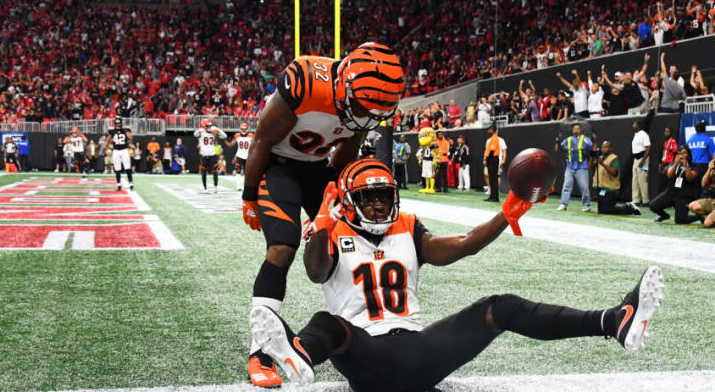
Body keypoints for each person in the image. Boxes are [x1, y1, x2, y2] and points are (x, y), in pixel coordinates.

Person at [249, 159, 665, 392]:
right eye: (367, 199)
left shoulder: (407, 227)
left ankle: (613, 321)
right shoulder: (329, 231)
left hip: (418, 354)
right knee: (329, 323)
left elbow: (464, 244)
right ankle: (301, 352)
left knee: (498, 308)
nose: (377, 207)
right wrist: (323, 215)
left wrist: (507, 212)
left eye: (383, 197)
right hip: (365, 358)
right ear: (346, 201)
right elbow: (315, 270)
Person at [242, 42, 404, 388]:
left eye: (375, 110)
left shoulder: (364, 103)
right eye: (361, 105)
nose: (367, 115)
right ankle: (261, 350)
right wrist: (249, 195)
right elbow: (260, 141)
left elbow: (346, 149)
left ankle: (359, 328)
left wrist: (332, 191)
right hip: (278, 165)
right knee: (283, 247)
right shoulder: (305, 82)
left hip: (317, 168)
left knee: (356, 233)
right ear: (345, 86)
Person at [650, 145, 702, 224]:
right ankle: (664, 216)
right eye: (680, 153)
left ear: (688, 155)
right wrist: (675, 164)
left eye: (684, 153)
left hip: (684, 196)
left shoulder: (693, 166)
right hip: (671, 192)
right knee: (653, 205)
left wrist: (686, 166)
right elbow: (669, 175)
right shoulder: (673, 164)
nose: (682, 155)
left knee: (680, 221)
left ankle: (699, 217)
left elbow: (690, 178)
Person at [590, 141, 641, 215]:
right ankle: (627, 207)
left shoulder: (614, 158)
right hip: (602, 189)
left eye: (606, 147)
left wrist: (602, 164)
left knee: (608, 210)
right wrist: (592, 157)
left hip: (611, 190)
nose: (603, 149)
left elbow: (614, 173)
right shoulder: (600, 158)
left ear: (611, 149)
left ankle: (629, 208)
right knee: (602, 211)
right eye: (602, 147)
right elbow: (591, 168)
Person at [556, 123, 593, 212]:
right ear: (572, 131)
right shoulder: (568, 140)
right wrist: (561, 142)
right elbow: (561, 146)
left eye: (577, 129)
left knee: (584, 187)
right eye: (574, 129)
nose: (576, 130)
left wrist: (586, 141)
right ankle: (563, 204)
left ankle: (586, 205)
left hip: (581, 167)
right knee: (566, 186)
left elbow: (590, 145)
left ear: (580, 130)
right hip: (570, 167)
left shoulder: (585, 139)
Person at [195, 119, 227, 193]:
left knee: (215, 171)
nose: (209, 127)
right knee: (203, 171)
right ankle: (205, 188)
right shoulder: (201, 131)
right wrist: (201, 129)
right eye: (208, 126)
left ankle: (215, 187)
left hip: (212, 153)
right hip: (204, 154)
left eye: (210, 125)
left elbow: (224, 136)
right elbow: (195, 134)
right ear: (203, 126)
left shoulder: (213, 130)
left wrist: (218, 130)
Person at [105, 117, 135, 191]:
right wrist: (108, 145)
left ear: (121, 123)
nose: (118, 125)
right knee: (117, 169)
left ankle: (131, 184)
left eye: (119, 123)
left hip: (124, 150)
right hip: (116, 151)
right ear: (115, 124)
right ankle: (119, 184)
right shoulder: (112, 131)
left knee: (128, 168)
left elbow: (131, 138)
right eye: (117, 123)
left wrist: (125, 131)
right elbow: (107, 140)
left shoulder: (125, 130)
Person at [688, 159, 715, 228]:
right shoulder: (713, 168)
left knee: (707, 223)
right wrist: (709, 169)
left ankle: (710, 219)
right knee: (693, 206)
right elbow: (703, 184)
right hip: (713, 200)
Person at [631, 120, 651, 206]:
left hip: (643, 159)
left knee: (643, 179)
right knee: (635, 180)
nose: (633, 126)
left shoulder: (644, 134)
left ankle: (645, 201)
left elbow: (648, 147)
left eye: (635, 124)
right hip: (636, 159)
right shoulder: (636, 135)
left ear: (639, 126)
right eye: (633, 125)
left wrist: (643, 160)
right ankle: (636, 200)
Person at [483, 125, 501, 202]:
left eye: (489, 129)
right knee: (491, 179)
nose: (488, 131)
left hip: (493, 159)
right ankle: (492, 196)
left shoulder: (495, 138)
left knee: (493, 179)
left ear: (493, 130)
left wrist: (487, 159)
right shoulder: (492, 139)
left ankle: (495, 197)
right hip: (491, 160)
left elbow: (492, 151)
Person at [660, 127, 679, 193]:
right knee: (663, 182)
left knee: (669, 182)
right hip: (664, 162)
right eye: (665, 131)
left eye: (668, 131)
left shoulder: (673, 141)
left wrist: (671, 165)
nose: (666, 133)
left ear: (671, 133)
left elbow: (676, 153)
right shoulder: (665, 142)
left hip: (669, 163)